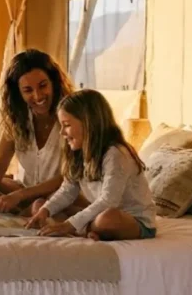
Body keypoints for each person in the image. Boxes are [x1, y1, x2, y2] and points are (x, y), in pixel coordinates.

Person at [0, 49, 79, 215]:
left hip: (58, 193)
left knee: (41, 206)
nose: (38, 95)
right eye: (28, 90)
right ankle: (21, 207)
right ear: (18, 93)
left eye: (43, 86)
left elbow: (71, 176)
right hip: (25, 189)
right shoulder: (18, 119)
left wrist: (18, 196)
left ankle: (24, 208)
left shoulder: (73, 116)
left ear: (54, 82)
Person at [25, 89, 157, 241]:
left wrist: (69, 224)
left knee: (107, 219)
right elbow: (67, 191)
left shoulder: (116, 154)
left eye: (66, 125)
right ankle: (86, 229)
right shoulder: (79, 153)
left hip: (134, 221)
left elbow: (109, 201)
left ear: (88, 123)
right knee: (41, 205)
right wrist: (45, 211)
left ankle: (80, 229)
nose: (62, 132)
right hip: (101, 212)